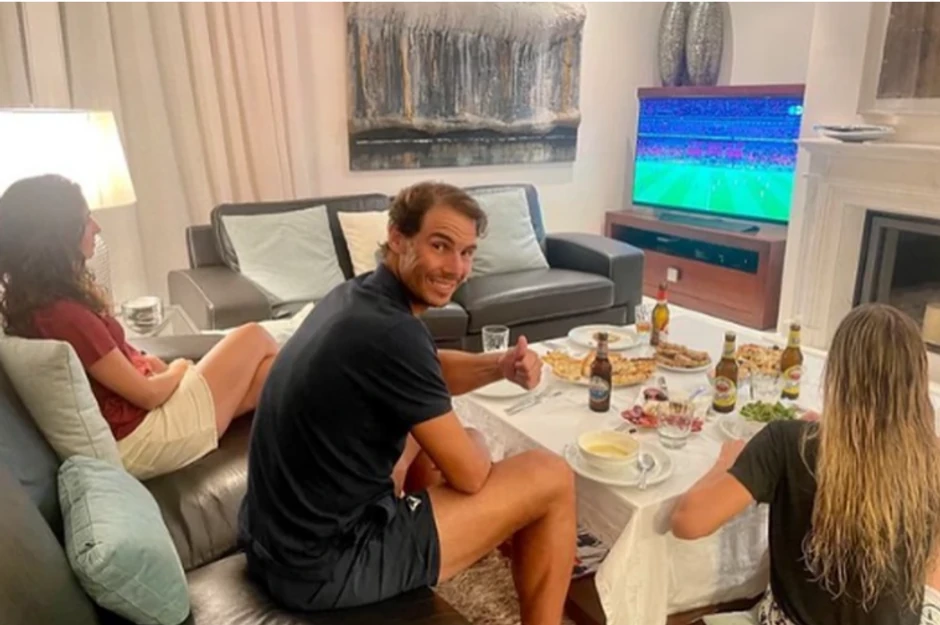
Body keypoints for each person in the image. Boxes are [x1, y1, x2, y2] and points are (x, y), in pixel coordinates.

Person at [239, 181, 576, 624]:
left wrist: (500, 366)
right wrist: (476, 449)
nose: (456, 268)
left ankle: (426, 550)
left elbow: (423, 371)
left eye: (467, 252)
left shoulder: (356, 296)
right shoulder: (394, 333)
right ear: (397, 237)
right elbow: (472, 476)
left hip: (272, 544)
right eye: (440, 246)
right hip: (323, 567)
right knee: (550, 476)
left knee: (441, 441)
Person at [670, 303, 940, 625]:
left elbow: (688, 522)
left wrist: (725, 463)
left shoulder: (787, 442)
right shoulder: (931, 457)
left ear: (837, 375)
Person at [0, 174, 279, 479]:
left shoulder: (41, 306)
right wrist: (179, 368)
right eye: (86, 219)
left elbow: (125, 375)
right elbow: (147, 395)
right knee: (253, 335)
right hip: (143, 438)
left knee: (270, 372)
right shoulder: (64, 316)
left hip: (138, 428)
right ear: (59, 237)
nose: (96, 227)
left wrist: (155, 368)